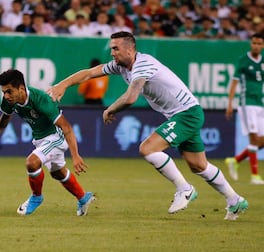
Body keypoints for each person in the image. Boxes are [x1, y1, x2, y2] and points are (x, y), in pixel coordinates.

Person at [48, 31, 248, 220]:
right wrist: (62, 85)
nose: (112, 53)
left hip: (186, 114)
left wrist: (110, 109)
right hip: (183, 114)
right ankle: (235, 200)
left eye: (116, 48)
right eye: (111, 49)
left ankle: (184, 189)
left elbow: (131, 97)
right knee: (198, 165)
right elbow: (89, 73)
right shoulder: (120, 66)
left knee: (148, 149)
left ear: (129, 50)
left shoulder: (143, 65)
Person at [0, 69, 95, 216]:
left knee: (32, 163)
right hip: (40, 139)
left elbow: (66, 127)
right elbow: (5, 117)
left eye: (9, 91)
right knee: (58, 173)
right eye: (3, 92)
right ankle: (83, 197)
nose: (6, 96)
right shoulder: (10, 100)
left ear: (21, 88)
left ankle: (36, 197)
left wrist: (75, 155)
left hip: (56, 137)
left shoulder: (40, 99)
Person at [225, 33, 264, 185]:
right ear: (250, 44)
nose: (256, 46)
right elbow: (234, 83)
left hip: (260, 103)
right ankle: (255, 176)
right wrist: (230, 103)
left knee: (261, 141)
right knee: (253, 140)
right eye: (254, 43)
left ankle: (234, 160)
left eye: (259, 43)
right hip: (246, 103)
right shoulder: (243, 60)